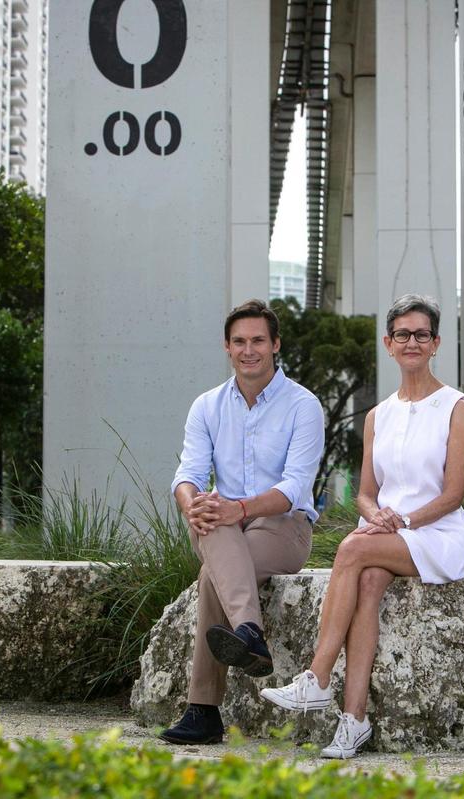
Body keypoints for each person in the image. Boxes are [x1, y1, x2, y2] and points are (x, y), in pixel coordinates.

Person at [259, 293, 464, 759]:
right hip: (386, 534)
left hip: (437, 532)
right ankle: (353, 720)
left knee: (352, 550)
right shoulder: (378, 415)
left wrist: (403, 521)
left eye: (421, 334)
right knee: (370, 579)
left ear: (435, 343)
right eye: (403, 334)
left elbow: (454, 493)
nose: (412, 341)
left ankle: (316, 677)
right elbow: (364, 491)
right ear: (389, 343)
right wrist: (375, 513)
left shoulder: (457, 407)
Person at [160, 299, 325, 745]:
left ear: (275, 345)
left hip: (284, 528)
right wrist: (190, 503)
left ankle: (203, 711)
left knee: (213, 574)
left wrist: (241, 509)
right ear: (227, 347)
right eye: (239, 342)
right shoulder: (207, 406)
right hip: (223, 528)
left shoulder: (303, 406)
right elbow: (188, 474)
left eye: (257, 341)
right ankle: (250, 633)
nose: (248, 350)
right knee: (210, 520)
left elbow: (295, 486)